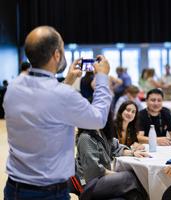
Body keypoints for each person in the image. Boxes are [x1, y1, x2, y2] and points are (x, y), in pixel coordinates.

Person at [3, 26, 112, 199]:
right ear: (56, 55)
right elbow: (98, 119)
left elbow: (45, 103)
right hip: (48, 193)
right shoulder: (63, 95)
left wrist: (68, 80)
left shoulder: (14, 86)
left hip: (14, 188)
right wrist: (102, 77)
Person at [76, 110, 148, 199]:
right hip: (89, 185)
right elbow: (94, 170)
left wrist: (133, 152)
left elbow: (116, 147)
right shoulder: (86, 138)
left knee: (132, 193)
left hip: (101, 179)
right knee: (130, 177)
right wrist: (116, 174)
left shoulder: (102, 132)